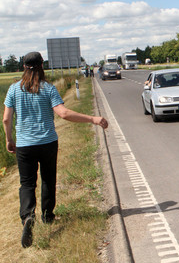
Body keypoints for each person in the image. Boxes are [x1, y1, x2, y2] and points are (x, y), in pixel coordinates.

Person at [2, 52, 109, 248]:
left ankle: (27, 216)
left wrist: (10, 140)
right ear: (42, 65)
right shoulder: (48, 89)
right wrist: (93, 119)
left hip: (25, 145)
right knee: (48, 178)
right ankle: (47, 215)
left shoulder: (13, 90)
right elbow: (64, 113)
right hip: (47, 142)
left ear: (23, 66)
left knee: (26, 183)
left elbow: (6, 119)